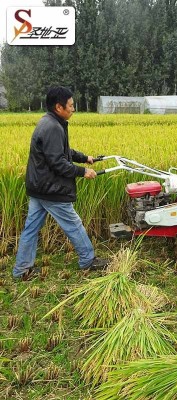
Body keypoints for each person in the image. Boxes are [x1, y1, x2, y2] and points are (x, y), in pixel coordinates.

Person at [12, 86, 108, 280]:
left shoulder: (49, 122)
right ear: (59, 107)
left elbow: (63, 151)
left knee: (31, 228)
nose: (73, 109)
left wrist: (84, 158)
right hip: (51, 188)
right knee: (73, 224)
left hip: (39, 187)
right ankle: (88, 260)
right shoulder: (53, 127)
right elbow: (58, 162)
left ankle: (21, 270)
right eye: (70, 105)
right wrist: (83, 171)